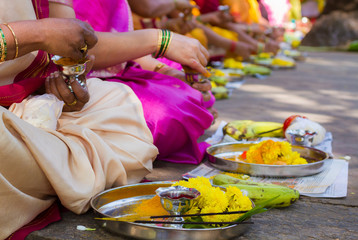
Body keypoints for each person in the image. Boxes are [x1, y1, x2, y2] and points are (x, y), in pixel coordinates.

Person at [0, 0, 210, 238]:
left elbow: (71, 46)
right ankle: (58, 172)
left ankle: (53, 169)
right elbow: (147, 9)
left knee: (136, 104)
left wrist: (69, 83)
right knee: (159, 114)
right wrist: (36, 33)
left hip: (31, 95)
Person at [50, 0, 216, 165]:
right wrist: (161, 40)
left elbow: (122, 38)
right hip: (77, 76)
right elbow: (72, 45)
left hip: (119, 62)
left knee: (190, 90)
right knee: (166, 115)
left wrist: (165, 71)